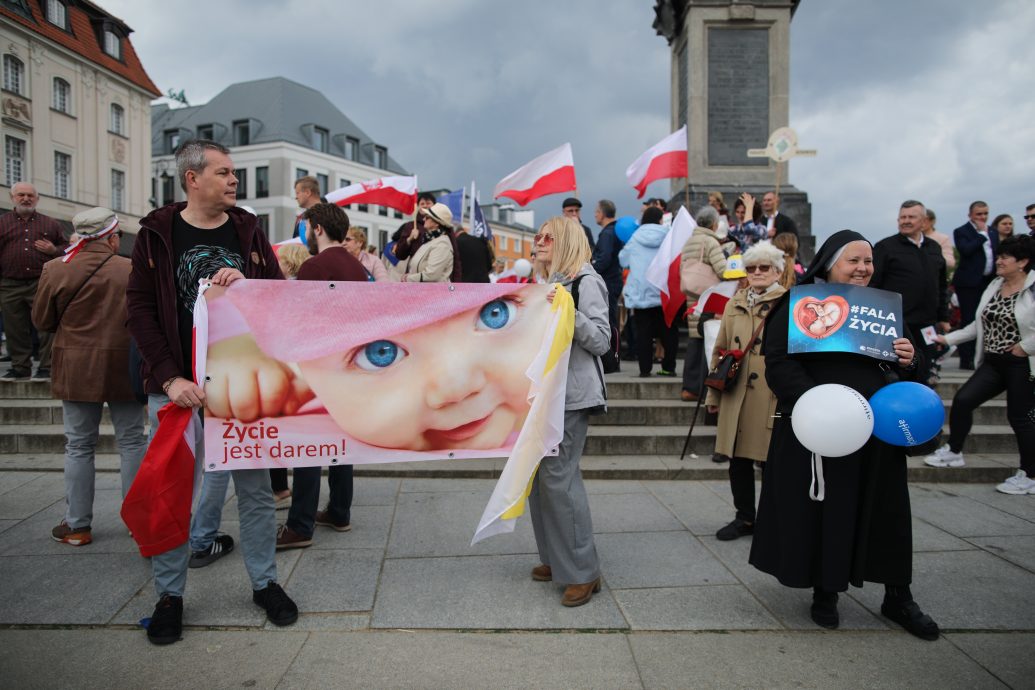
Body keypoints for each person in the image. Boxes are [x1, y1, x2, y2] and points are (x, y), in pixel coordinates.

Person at [126, 139, 297, 645]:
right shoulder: (156, 233)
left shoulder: (247, 229)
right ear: (192, 178)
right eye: (224, 172)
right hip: (178, 389)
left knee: (256, 494)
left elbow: (277, 292)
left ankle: (265, 584)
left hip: (238, 385)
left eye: (235, 173)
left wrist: (246, 281)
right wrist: (169, 378)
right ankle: (170, 596)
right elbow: (140, 311)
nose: (234, 181)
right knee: (173, 493)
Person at [749, 229, 938, 641]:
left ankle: (897, 595)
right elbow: (778, 362)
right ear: (830, 263)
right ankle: (826, 590)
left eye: (868, 261)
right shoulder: (799, 304)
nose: (863, 268)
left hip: (878, 428)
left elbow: (916, 364)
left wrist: (911, 359)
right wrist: (821, 405)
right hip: (825, 428)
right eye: (854, 260)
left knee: (888, 513)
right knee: (827, 513)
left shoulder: (885, 308)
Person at [30, 207, 146, 546]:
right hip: (124, 364)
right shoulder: (131, 269)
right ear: (112, 237)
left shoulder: (55, 268)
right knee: (132, 442)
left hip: (77, 366)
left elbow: (42, 321)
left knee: (79, 445)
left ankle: (78, 525)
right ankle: (136, 521)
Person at [275, 202, 370, 549]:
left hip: (320, 363)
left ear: (317, 229)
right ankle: (339, 511)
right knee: (341, 441)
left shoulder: (315, 266)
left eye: (307, 227)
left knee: (308, 446)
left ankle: (300, 524)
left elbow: (303, 318)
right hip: (351, 366)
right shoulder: (357, 268)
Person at [529, 216, 609, 607]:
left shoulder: (585, 281)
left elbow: (603, 340)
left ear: (566, 242)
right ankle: (557, 559)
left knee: (559, 479)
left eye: (549, 237)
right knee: (541, 480)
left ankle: (582, 571)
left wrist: (568, 312)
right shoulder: (547, 282)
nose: (540, 241)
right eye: (538, 235)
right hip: (545, 393)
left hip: (572, 396)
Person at [925, 235, 1035, 495]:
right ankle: (954, 451)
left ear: (1023, 262)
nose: (998, 261)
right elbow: (979, 324)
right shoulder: (995, 285)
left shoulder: (1032, 288)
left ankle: (1029, 474)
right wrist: (947, 339)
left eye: (1005, 257)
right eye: (998, 256)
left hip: (1021, 363)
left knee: (1019, 418)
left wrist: (1024, 348)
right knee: (963, 400)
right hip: (994, 362)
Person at [705, 241, 786, 540]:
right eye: (751, 267)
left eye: (764, 267)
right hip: (735, 393)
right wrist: (713, 395)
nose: (757, 272)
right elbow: (720, 351)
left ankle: (769, 519)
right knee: (736, 459)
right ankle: (744, 517)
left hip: (770, 394)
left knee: (768, 461)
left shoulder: (788, 304)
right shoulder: (735, 302)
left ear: (778, 271)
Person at [870, 200, 949, 385]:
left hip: (927, 324)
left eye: (911, 217)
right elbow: (873, 284)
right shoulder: (885, 247)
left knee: (923, 372)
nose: (905, 221)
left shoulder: (934, 248)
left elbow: (942, 285)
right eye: (902, 217)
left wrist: (943, 317)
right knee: (898, 373)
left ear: (924, 221)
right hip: (897, 325)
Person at [1, 182, 68, 380]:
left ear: (37, 199)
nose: (26, 198)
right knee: (14, 328)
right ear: (12, 198)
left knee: (45, 326)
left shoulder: (50, 224)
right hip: (9, 283)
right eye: (21, 195)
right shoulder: (2, 223)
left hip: (41, 283)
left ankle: (46, 367)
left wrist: (53, 251)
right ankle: (20, 368)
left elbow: (67, 249)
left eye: (30, 195)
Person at [618, 206, 677, 377]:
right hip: (662, 291)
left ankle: (645, 369)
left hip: (641, 293)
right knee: (668, 331)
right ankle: (668, 367)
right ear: (660, 220)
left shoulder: (635, 238)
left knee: (643, 333)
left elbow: (623, 260)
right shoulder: (668, 236)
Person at [679, 206, 727, 402]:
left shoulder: (689, 241)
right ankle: (701, 388)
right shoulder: (710, 242)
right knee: (705, 340)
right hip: (708, 295)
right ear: (714, 224)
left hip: (692, 294)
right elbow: (723, 270)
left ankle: (688, 388)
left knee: (694, 340)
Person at [952, 201, 998, 369]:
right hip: (969, 283)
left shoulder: (993, 231)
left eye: (985, 213)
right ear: (970, 215)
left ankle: (983, 357)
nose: (983, 217)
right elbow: (966, 250)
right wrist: (980, 235)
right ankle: (966, 358)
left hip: (988, 282)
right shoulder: (962, 231)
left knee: (986, 318)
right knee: (969, 319)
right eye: (979, 214)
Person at [591, 199, 624, 340]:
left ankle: (611, 357)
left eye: (597, 212)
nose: (595, 215)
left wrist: (590, 272)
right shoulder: (615, 231)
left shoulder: (607, 234)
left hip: (607, 283)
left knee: (609, 322)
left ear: (602, 213)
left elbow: (603, 260)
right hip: (614, 280)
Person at [402, 203, 456, 283]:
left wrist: (408, 278)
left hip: (436, 294)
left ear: (437, 223)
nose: (424, 219)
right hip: (424, 292)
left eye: (427, 217)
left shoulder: (442, 244)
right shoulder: (430, 239)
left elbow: (432, 275)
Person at [391, 191, 437, 265]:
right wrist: (409, 239)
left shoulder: (441, 224)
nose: (425, 206)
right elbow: (399, 255)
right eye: (422, 204)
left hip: (436, 269)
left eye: (428, 203)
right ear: (418, 207)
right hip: (415, 272)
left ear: (434, 206)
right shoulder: (410, 226)